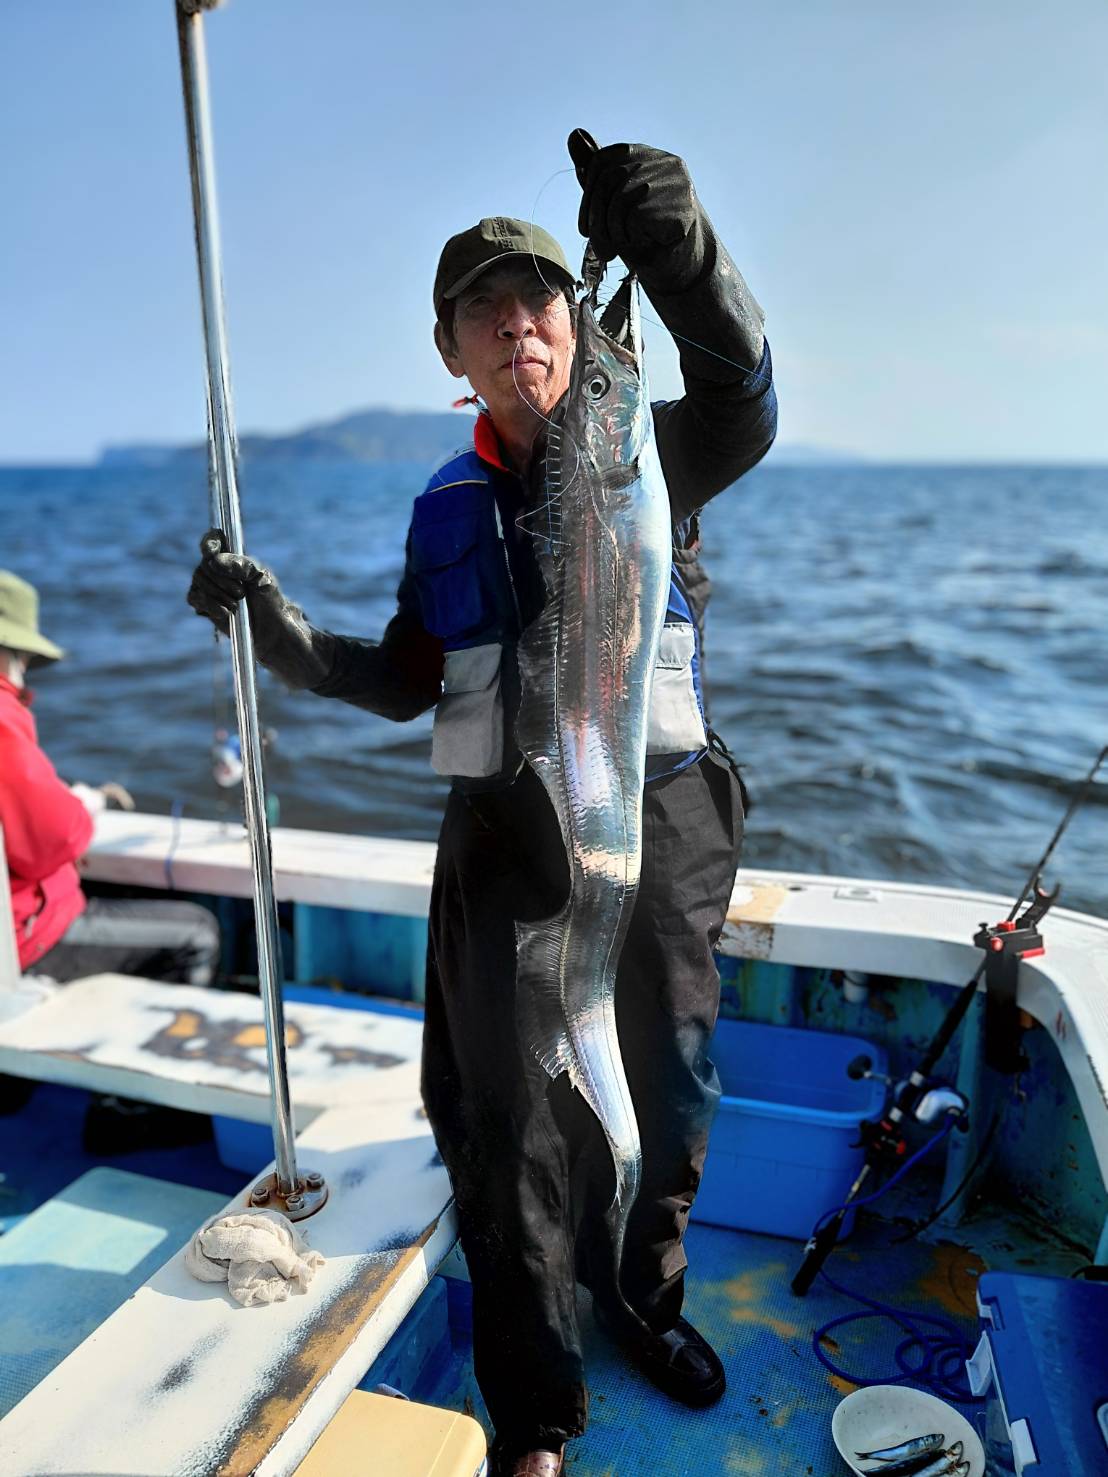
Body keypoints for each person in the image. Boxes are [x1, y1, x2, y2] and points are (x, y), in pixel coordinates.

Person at [188, 138, 777, 1477]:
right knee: (500, 1121)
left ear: (574, 325)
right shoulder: (445, 507)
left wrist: (680, 248)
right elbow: (411, 676)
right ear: (450, 350)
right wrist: (279, 633)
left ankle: (644, 1300)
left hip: (655, 821)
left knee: (670, 1083)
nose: (521, 326)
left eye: (541, 302)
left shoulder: (646, 449)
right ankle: (535, 1406)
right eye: (486, 311)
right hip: (502, 841)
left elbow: (742, 395)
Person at [0, 570, 220, 988]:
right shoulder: (2, 719)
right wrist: (84, 807)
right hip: (23, 939)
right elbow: (52, 840)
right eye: (23, 657)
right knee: (197, 932)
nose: (23, 671)